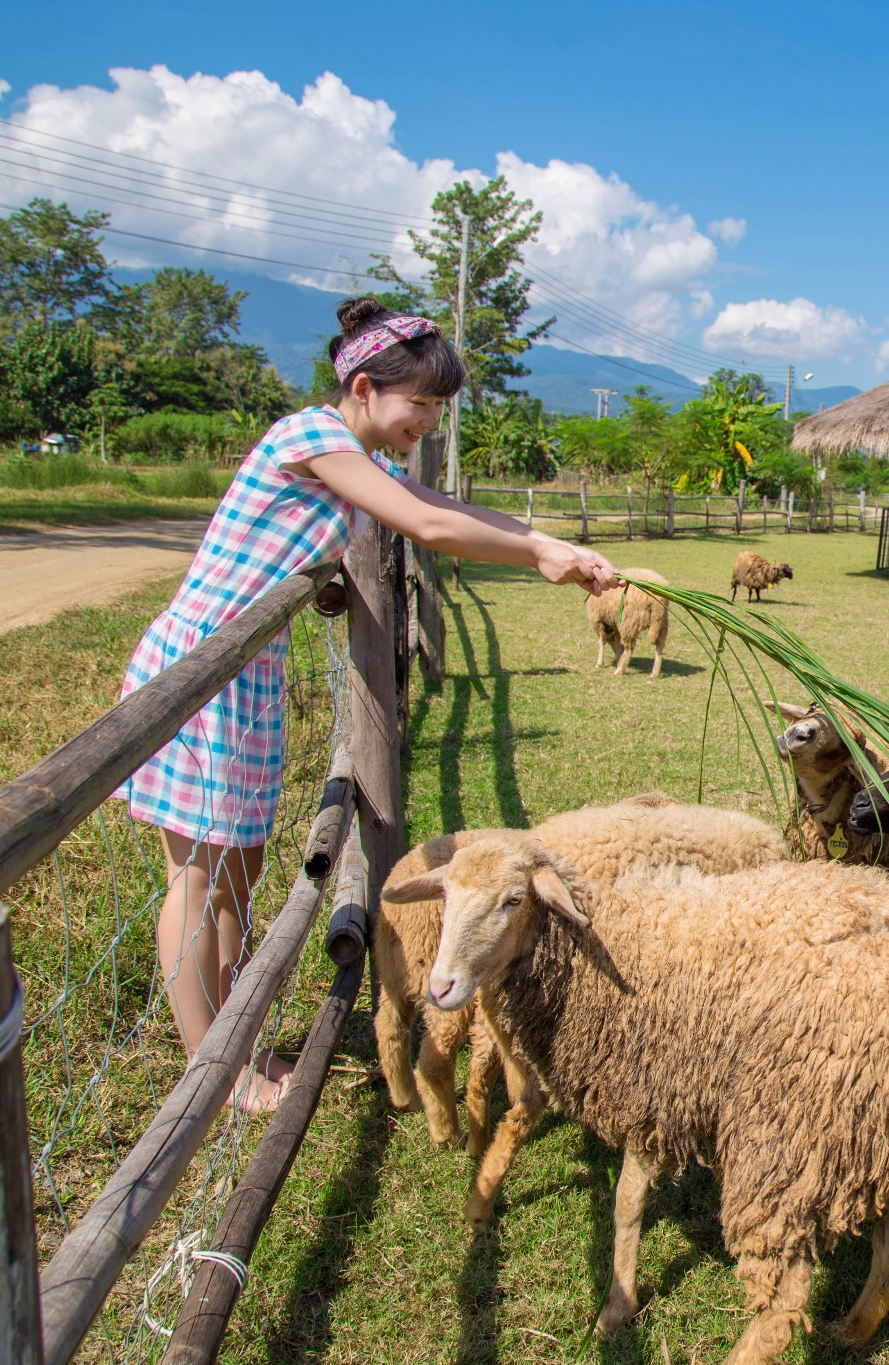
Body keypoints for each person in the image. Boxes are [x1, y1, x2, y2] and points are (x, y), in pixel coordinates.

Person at [118, 298, 618, 1111]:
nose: (429, 419)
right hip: (202, 674)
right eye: (420, 403)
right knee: (199, 879)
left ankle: (232, 1036)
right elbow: (427, 524)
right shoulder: (312, 437)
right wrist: (535, 553)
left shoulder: (355, 454)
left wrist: (551, 543)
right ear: (363, 385)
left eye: (436, 406)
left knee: (238, 872)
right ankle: (209, 1070)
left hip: (248, 679)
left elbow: (451, 510)